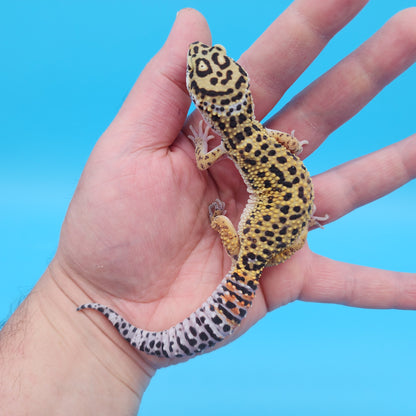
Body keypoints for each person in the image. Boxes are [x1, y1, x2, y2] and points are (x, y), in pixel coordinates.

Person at [1, 2, 416, 414]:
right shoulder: (254, 135)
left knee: (243, 243)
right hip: (288, 216)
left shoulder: (230, 144)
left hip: (264, 232)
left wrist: (214, 196)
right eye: (206, 64)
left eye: (211, 64)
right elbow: (287, 145)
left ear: (206, 101)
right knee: (274, 231)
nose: (204, 56)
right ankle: (292, 225)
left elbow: (204, 161)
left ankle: (240, 226)